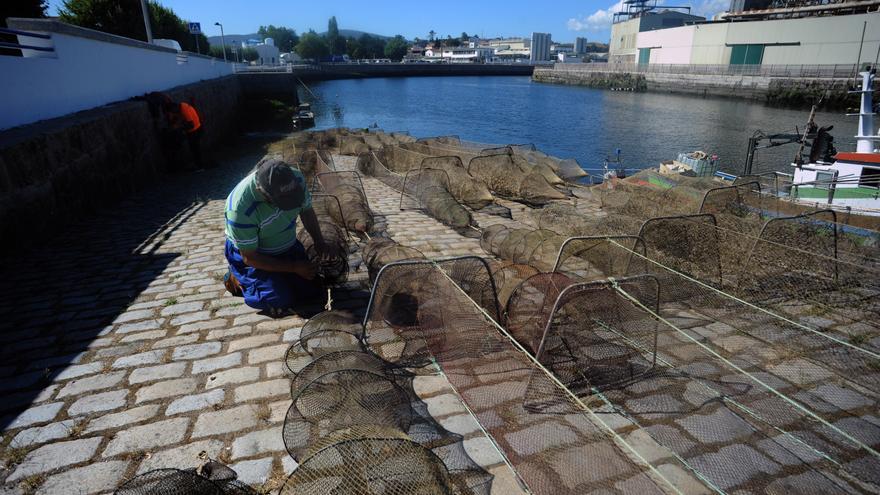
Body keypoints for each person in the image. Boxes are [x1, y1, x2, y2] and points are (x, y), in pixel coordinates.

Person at [224, 157, 337, 315]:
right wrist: (294, 267)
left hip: (286, 244)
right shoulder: (240, 209)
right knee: (279, 299)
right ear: (265, 195)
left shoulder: (295, 179)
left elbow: (306, 211)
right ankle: (235, 276)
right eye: (285, 202)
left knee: (312, 291)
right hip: (254, 255)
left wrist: (319, 241)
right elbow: (250, 257)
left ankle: (280, 275)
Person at [164, 98, 204, 169]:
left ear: (173, 109)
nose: (172, 114)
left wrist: (179, 127)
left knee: (195, 149)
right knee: (194, 149)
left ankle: (199, 166)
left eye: (172, 112)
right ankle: (198, 164)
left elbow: (191, 125)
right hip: (194, 129)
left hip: (195, 130)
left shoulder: (184, 109)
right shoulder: (181, 106)